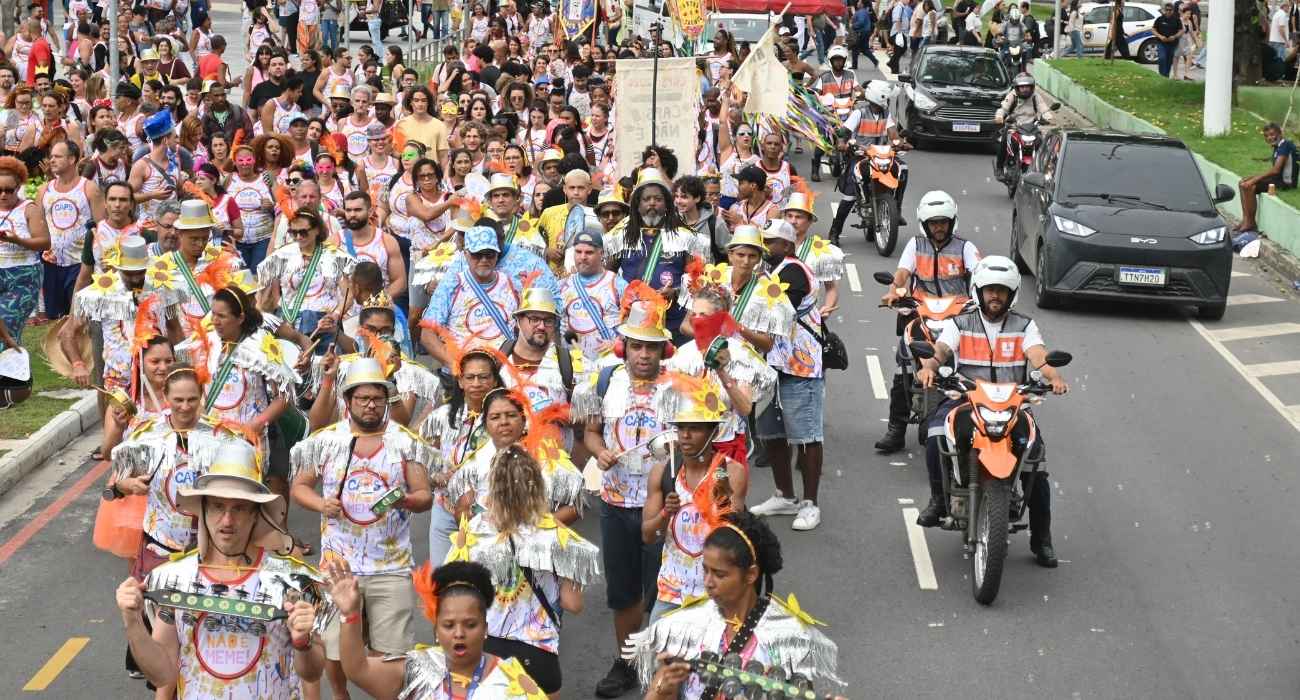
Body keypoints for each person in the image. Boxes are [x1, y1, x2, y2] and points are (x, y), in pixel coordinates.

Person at [113, 438, 327, 698]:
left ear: (256, 514)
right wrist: (132, 621)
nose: (227, 520)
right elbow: (162, 674)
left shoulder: (292, 582)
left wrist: (303, 643)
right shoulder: (173, 579)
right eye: (217, 506)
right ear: (202, 510)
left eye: (239, 508)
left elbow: (312, 674)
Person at [290, 357, 435, 700]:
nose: (371, 405)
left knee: (392, 655)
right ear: (348, 400)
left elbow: (425, 494)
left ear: (386, 400)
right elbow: (299, 487)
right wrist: (320, 504)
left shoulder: (404, 440)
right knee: (336, 650)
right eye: (363, 399)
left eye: (378, 399)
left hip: (391, 567)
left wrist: (408, 502)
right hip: (339, 567)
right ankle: (341, 696)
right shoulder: (326, 441)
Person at [914, 256, 1069, 567]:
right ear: (978, 292)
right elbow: (940, 351)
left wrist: (1055, 378)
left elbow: (1038, 356)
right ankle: (937, 500)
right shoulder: (959, 323)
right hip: (964, 398)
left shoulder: (1024, 326)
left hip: (1013, 403)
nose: (995, 296)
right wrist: (928, 369)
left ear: (1011, 295)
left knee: (1035, 464)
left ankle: (1042, 541)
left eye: (1001, 291)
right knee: (933, 436)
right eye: (989, 290)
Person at [573, 283, 678, 699]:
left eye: (652, 348)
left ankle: (658, 664)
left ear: (663, 352)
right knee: (623, 592)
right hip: (617, 505)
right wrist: (599, 454)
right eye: (637, 346)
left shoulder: (680, 389)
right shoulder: (604, 380)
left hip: (662, 507)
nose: (644, 355)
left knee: (662, 591)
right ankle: (626, 661)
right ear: (625, 347)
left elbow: (694, 442)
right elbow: (591, 432)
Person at [628, 511, 842, 699]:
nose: (708, 582)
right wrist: (660, 688)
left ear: (750, 574)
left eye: (720, 574)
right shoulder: (684, 628)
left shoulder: (789, 635)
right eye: (706, 570)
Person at [321, 558, 547, 698]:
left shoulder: (511, 683)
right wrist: (350, 615)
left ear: (485, 628)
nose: (459, 633)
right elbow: (357, 670)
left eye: (470, 624)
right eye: (449, 625)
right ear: (436, 629)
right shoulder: (418, 669)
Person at [875, 191, 980, 453]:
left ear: (952, 221)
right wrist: (894, 291)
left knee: (969, 369)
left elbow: (980, 276)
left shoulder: (965, 248)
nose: (939, 227)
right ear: (924, 224)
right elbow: (902, 273)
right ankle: (896, 429)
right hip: (920, 314)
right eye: (933, 223)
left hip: (957, 317)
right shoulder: (915, 245)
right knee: (903, 368)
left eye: (943, 222)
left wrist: (979, 299)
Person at [641, 371, 750, 623]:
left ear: (713, 432)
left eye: (695, 429)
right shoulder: (662, 472)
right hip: (670, 593)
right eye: (681, 428)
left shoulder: (731, 472)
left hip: (717, 596)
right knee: (660, 659)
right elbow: (648, 535)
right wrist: (665, 513)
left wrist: (719, 503)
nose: (686, 436)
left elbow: (732, 538)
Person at [749, 220, 828, 532]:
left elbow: (776, 313)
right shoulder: (772, 272)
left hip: (800, 366)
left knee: (807, 436)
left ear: (788, 246)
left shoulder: (792, 271)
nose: (765, 248)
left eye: (772, 243)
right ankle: (785, 496)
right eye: (763, 242)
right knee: (772, 433)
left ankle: (810, 504)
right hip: (772, 366)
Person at [606, 168, 710, 345]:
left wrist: (676, 292)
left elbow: (699, 282)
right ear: (637, 204)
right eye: (647, 199)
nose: (652, 203)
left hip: (674, 324)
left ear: (668, 204)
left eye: (658, 199)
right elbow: (606, 278)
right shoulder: (619, 237)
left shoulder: (687, 238)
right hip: (633, 320)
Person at [256, 207, 355, 350]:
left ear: (317, 230)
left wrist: (336, 315)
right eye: (293, 232)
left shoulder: (334, 256)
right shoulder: (281, 255)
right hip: (288, 323)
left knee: (323, 367)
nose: (298, 237)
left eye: (303, 232)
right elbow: (261, 295)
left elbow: (348, 294)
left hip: (324, 322)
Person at [421, 222, 522, 362]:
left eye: (489, 255)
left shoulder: (512, 284)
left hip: (504, 369)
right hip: (464, 371)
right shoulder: (451, 285)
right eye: (477, 255)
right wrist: (456, 367)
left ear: (497, 254)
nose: (484, 260)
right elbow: (427, 334)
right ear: (466, 254)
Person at [827, 79, 910, 245]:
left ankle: (896, 209)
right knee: (850, 194)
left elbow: (893, 134)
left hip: (883, 155)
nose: (886, 103)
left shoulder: (886, 115)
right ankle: (835, 231)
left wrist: (901, 142)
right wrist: (843, 143)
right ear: (877, 98)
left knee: (903, 168)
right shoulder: (859, 113)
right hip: (860, 156)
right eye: (885, 99)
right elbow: (844, 132)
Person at [39, 140, 104, 321]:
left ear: (72, 159)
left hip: (80, 264)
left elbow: (102, 228)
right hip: (51, 263)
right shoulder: (44, 190)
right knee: (56, 319)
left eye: (57, 156)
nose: (52, 160)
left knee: (81, 318)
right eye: (51, 156)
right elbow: (40, 227)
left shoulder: (89, 188)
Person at [0, 157, 50, 341]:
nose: (3, 195)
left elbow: (45, 242)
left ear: (19, 186)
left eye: (8, 190)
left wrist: (19, 240)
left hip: (23, 275)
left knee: (6, 325)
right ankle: (17, 369)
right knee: (9, 333)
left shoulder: (29, 209)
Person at [560, 228, 627, 366]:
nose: (582, 257)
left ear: (601, 253)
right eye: (578, 252)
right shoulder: (561, 286)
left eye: (589, 252)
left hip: (609, 363)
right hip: (572, 365)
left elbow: (636, 326)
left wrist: (618, 343)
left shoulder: (618, 285)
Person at [1236, 122, 1297, 233]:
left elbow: (1276, 170)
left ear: (1280, 133)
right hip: (1277, 180)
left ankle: (1250, 222)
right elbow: (1275, 172)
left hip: (1286, 183)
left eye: (1272, 134)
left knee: (1250, 186)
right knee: (1242, 182)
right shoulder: (1278, 146)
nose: (1269, 138)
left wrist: (1254, 179)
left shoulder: (1285, 145)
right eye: (1266, 136)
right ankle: (1245, 219)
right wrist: (1253, 177)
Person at [994, 74, 1053, 175]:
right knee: (1004, 139)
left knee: (1042, 142)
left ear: (1032, 87)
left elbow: (1043, 107)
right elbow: (1003, 108)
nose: (1025, 89)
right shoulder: (1012, 95)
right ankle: (999, 168)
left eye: (1027, 87)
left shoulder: (1035, 96)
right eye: (1022, 87)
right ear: (1017, 88)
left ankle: (1044, 168)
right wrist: (999, 116)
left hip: (1031, 127)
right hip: (1014, 126)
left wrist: (1047, 116)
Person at [1153, 3, 1184, 77]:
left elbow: (1181, 30)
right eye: (1166, 10)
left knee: (1169, 61)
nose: (1168, 11)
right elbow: (1153, 29)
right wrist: (1160, 36)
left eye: (1170, 10)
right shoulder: (1160, 19)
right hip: (1161, 43)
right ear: (1164, 10)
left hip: (1172, 44)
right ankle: (1161, 76)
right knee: (1162, 58)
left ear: (1173, 10)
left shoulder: (1176, 19)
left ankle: (1166, 76)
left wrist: (1174, 36)